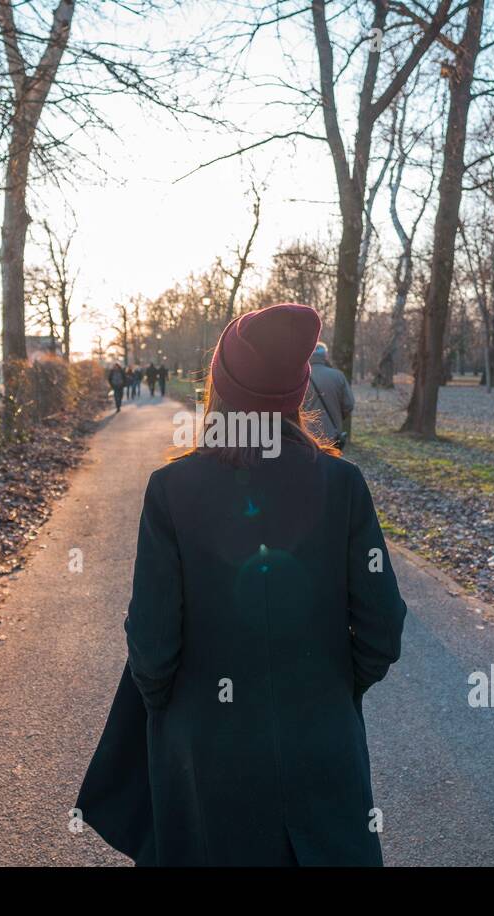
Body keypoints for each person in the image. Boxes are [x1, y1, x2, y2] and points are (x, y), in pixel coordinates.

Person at [76, 303, 406, 866]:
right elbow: (382, 627)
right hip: (323, 749)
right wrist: (324, 692)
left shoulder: (173, 491)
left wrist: (180, 714)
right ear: (296, 395)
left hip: (207, 760)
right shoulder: (343, 484)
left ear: (220, 390)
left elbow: (153, 650)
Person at [303, 342, 355, 448]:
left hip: (306, 435)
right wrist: (336, 416)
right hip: (332, 435)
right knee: (331, 462)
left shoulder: (300, 376)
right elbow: (349, 404)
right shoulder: (338, 376)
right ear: (325, 356)